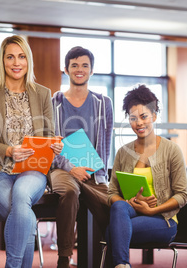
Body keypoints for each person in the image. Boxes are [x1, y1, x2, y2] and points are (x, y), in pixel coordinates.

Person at [0, 35, 63, 268]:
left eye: (21, 56)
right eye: (10, 56)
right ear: (2, 60)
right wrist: (8, 150)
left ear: (28, 60)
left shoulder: (42, 93)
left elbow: (48, 136)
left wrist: (55, 146)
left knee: (22, 197)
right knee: (24, 215)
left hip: (32, 170)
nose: (16, 62)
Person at [106, 84, 187, 268]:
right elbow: (111, 193)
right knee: (118, 207)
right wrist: (128, 203)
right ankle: (122, 265)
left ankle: (120, 264)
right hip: (129, 214)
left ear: (154, 116)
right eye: (133, 118)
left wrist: (152, 210)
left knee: (113, 231)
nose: (139, 123)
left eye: (144, 116)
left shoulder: (171, 150)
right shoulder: (123, 152)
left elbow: (182, 195)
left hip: (163, 220)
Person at [50, 46, 113, 268]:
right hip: (61, 168)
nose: (79, 70)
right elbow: (51, 145)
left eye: (84, 65)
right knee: (69, 190)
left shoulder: (103, 103)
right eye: (74, 65)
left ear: (91, 70)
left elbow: (105, 143)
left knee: (112, 204)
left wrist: (101, 176)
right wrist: (70, 168)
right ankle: (64, 257)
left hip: (92, 169)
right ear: (65, 70)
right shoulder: (54, 102)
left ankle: (114, 257)